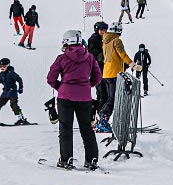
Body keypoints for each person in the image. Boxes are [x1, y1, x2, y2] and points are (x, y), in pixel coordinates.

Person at [46, 30, 101, 170]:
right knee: (87, 129)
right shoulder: (90, 57)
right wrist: (87, 86)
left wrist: (61, 87)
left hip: (65, 97)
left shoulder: (62, 58)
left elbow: (50, 78)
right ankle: (92, 160)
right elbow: (98, 77)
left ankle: (66, 159)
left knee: (66, 129)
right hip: (85, 98)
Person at [100, 23, 134, 122]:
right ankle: (103, 120)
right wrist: (132, 64)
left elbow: (113, 57)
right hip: (115, 73)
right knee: (113, 99)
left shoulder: (106, 41)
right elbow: (122, 54)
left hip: (107, 73)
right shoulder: (117, 40)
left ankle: (103, 118)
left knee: (110, 98)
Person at [0, 58, 27, 124]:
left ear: (8, 65)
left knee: (13, 105)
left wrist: (21, 88)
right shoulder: (1, 74)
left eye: (4, 66)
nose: (2, 68)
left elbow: (19, 79)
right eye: (1, 66)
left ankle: (21, 118)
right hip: (5, 92)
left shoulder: (11, 73)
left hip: (12, 91)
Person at [87, 22, 109, 112]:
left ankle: (99, 114)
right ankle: (99, 114)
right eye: (101, 30)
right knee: (102, 93)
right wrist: (102, 57)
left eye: (104, 30)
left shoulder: (105, 39)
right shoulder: (93, 39)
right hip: (97, 69)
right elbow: (92, 52)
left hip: (105, 68)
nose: (103, 32)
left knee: (105, 93)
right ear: (97, 30)